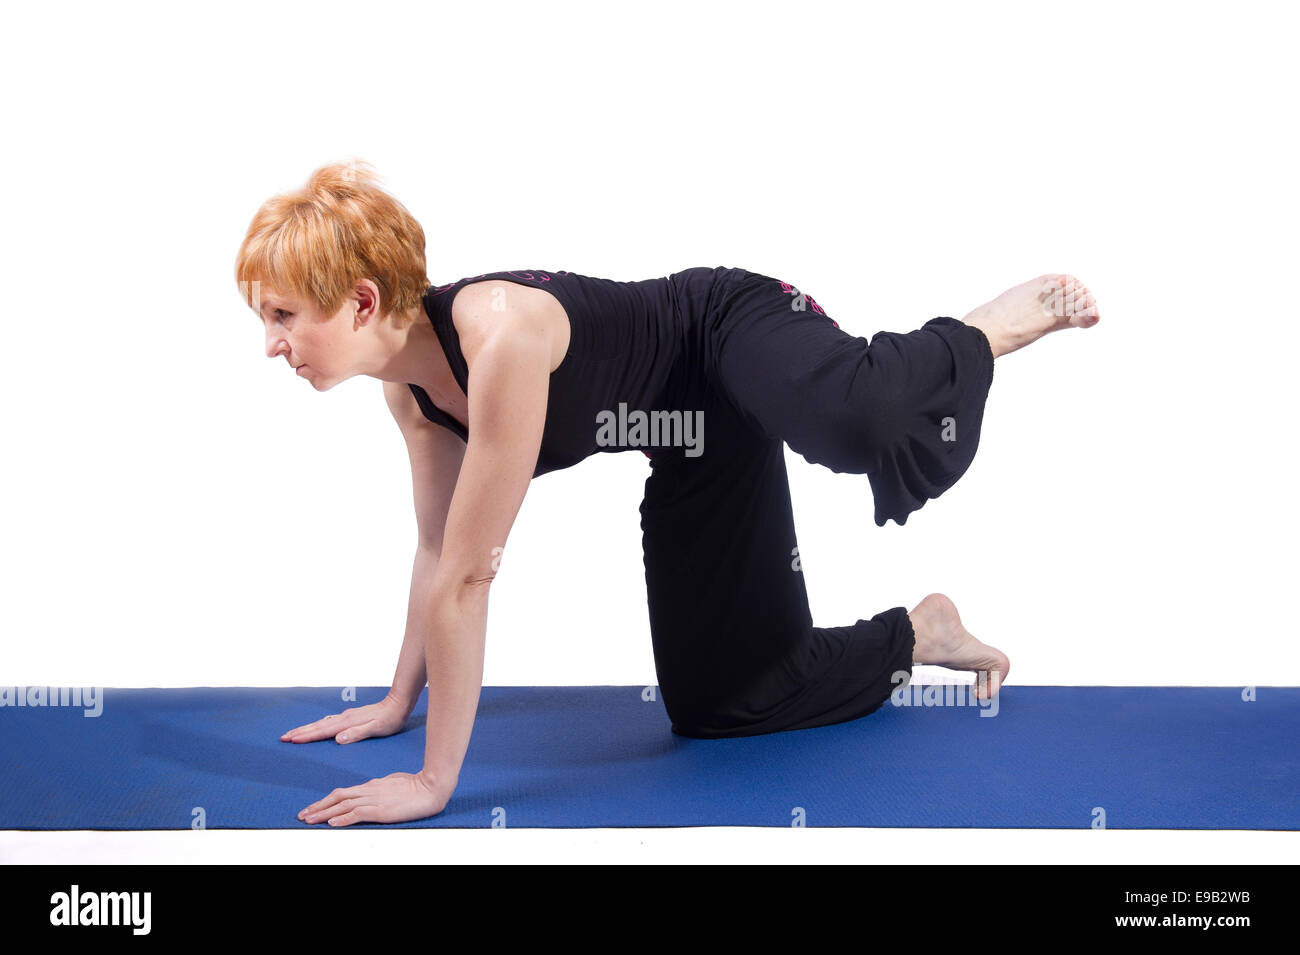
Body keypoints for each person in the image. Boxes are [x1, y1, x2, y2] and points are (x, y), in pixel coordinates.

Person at [234, 160, 1100, 826]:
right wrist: (397, 700)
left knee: (856, 420)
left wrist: (433, 779)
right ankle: (920, 631)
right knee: (723, 703)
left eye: (281, 317)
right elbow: (436, 552)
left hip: (724, 331)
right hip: (690, 442)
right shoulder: (413, 395)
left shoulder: (498, 335)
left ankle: (986, 330)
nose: (272, 345)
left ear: (358, 301)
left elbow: (471, 574)